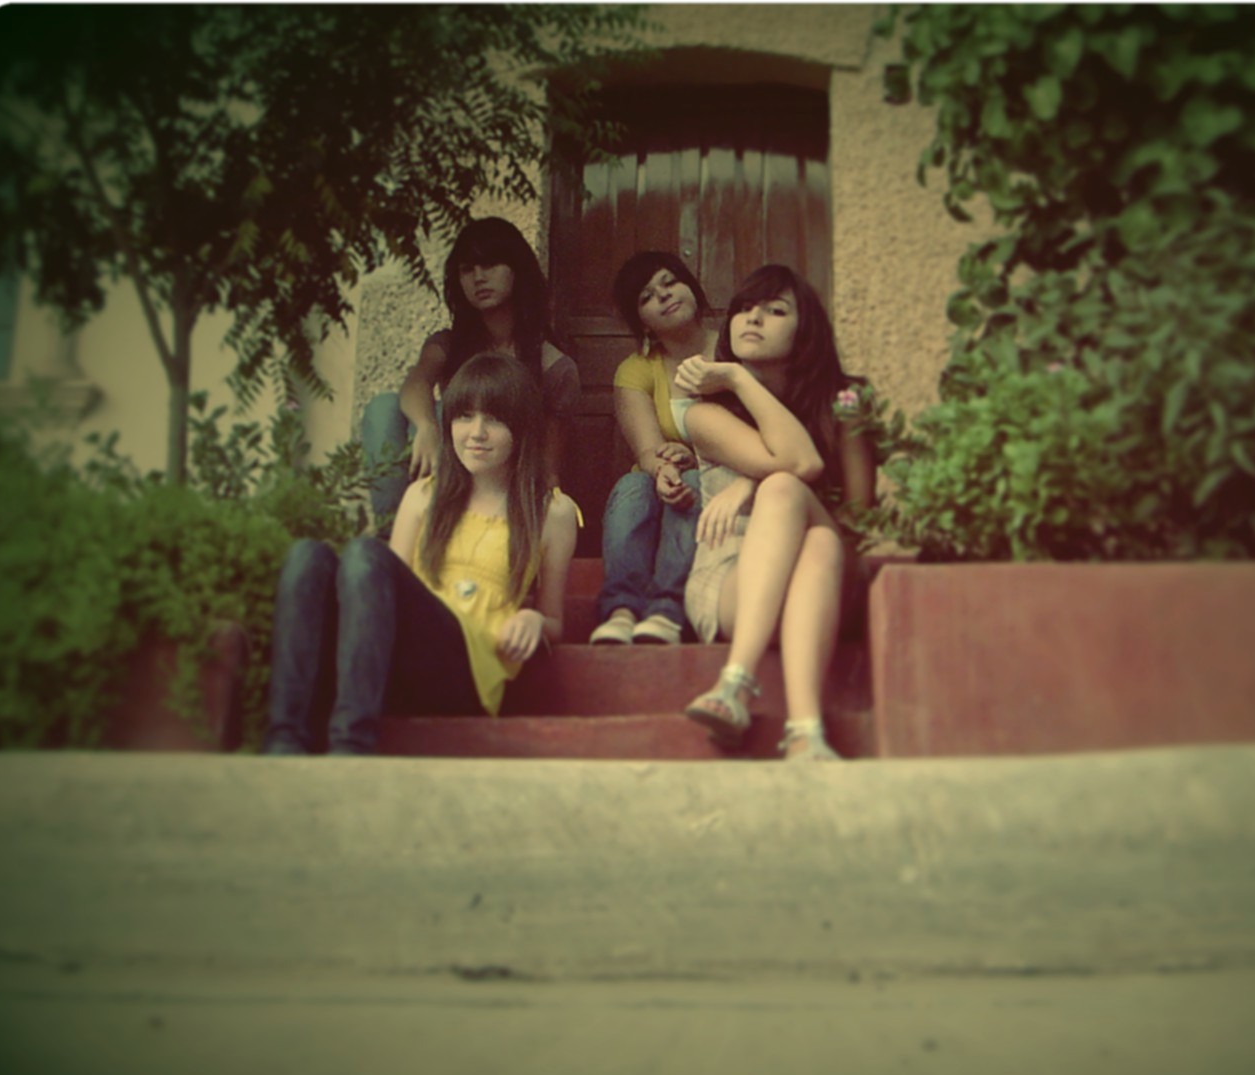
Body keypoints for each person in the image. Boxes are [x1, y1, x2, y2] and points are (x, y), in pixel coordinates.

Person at [264, 353, 579, 755]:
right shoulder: (422, 496)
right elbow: (383, 598)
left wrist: (534, 617)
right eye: (464, 416)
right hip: (398, 659)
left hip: (466, 671)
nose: (476, 433)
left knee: (365, 553)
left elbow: (555, 621)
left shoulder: (551, 511)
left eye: (495, 419)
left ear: (521, 428)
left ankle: (350, 745)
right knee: (306, 556)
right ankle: (284, 740)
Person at [673, 264, 877, 761]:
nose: (752, 318)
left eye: (774, 310)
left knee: (811, 523)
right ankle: (806, 732)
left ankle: (735, 686)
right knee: (795, 503)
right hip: (730, 581)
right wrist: (739, 382)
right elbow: (797, 463)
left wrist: (750, 482)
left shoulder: (845, 399)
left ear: (805, 328)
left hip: (829, 576)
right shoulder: (701, 410)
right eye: (744, 309)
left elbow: (851, 509)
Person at [362, 216, 580, 527]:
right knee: (384, 408)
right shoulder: (448, 344)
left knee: (450, 417)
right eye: (467, 269)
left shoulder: (552, 364)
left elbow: (549, 467)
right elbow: (417, 382)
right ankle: (393, 532)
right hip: (446, 469)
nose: (479, 277)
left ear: (517, 270)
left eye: (490, 265)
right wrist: (425, 426)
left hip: (502, 485)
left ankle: (429, 531)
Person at [589, 251, 718, 646]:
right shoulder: (636, 369)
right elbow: (647, 450)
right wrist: (662, 468)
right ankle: (622, 611)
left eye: (670, 282)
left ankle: (667, 611)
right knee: (632, 487)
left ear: (691, 288)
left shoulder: (732, 350)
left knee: (693, 481)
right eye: (647, 296)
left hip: (719, 477)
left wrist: (691, 459)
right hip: (659, 478)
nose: (663, 296)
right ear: (640, 320)